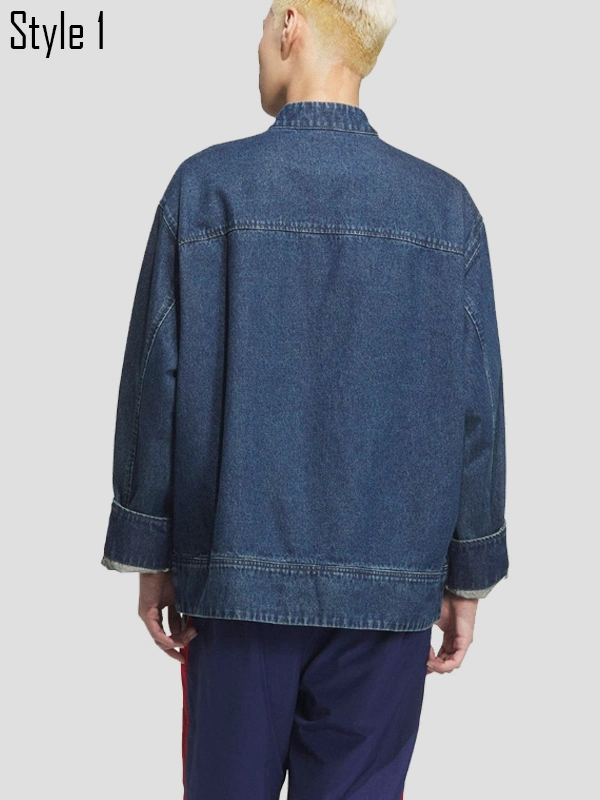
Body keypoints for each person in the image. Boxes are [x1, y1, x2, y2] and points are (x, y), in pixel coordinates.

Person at [101, 2, 509, 798]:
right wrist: (469, 572)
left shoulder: (206, 191)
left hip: (235, 584)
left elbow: (155, 383)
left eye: (262, 29)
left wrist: (150, 550)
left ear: (290, 24)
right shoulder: (445, 210)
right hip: (390, 589)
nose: (258, 49)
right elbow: (476, 412)